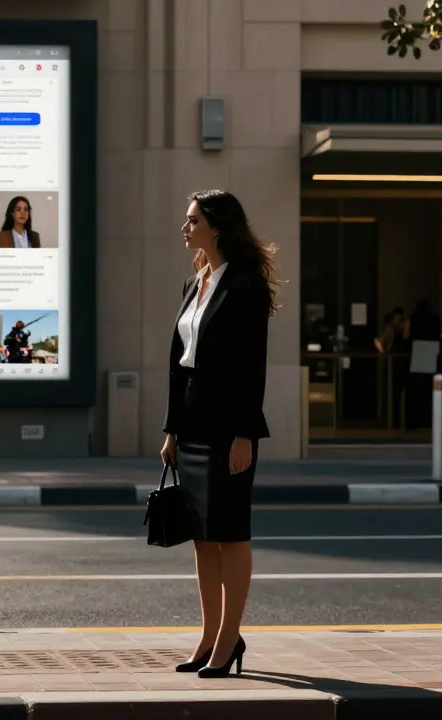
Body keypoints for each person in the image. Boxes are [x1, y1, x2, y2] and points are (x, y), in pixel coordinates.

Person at [160, 189, 279, 679]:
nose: (185, 228)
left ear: (217, 226)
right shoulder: (196, 281)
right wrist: (170, 430)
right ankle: (210, 637)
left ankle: (229, 641)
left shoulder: (245, 285)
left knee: (230, 534)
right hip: (190, 422)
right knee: (202, 539)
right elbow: (177, 365)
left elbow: (252, 367)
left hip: (228, 424)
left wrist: (245, 435)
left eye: (192, 221)